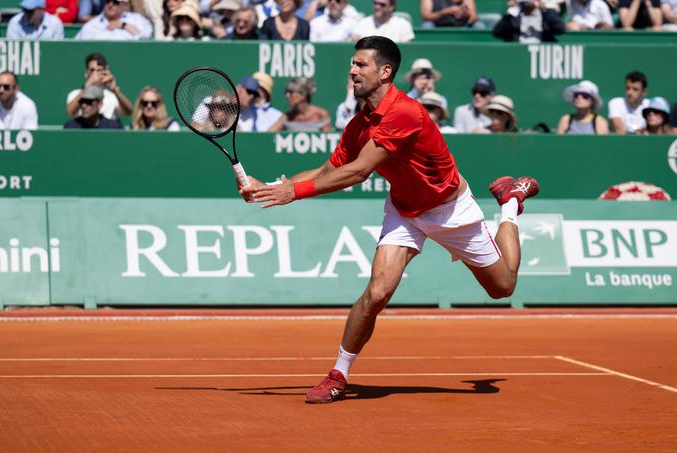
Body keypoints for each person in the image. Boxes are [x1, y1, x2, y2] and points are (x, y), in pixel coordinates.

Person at [240, 36, 539, 404]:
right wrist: (270, 187)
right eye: (351, 63)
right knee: (378, 291)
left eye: (360, 64)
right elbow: (327, 170)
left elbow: (358, 172)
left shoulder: (405, 112)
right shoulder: (357, 124)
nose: (351, 70)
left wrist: (293, 194)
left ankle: (510, 202)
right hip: (405, 210)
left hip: (451, 208)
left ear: (385, 72)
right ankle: (338, 374)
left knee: (502, 287)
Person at [66, 52, 133, 121]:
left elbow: (129, 112)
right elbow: (70, 112)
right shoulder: (75, 94)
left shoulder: (112, 96)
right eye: (92, 70)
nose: (95, 74)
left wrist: (115, 91)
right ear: (86, 73)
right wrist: (87, 86)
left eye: (99, 70)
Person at [268, 77, 332, 132]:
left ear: (303, 95)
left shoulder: (321, 114)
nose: (287, 96)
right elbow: (266, 137)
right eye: (286, 92)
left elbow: (329, 141)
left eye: (291, 92)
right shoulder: (287, 117)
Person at [492, 0, 565, 42]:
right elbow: (497, 32)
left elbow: (560, 29)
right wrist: (510, 12)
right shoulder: (515, 15)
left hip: (541, 54)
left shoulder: (545, 15)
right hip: (517, 54)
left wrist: (544, 10)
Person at [75, 0, 153, 40]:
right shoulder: (91, 25)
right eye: (108, 1)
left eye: (115, 2)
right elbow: (78, 44)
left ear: (124, 5)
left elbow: (145, 39)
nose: (110, 5)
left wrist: (124, 25)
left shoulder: (137, 19)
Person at [608, 71, 650, 135]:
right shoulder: (615, 103)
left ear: (644, 92)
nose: (629, 92)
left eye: (635, 89)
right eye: (628, 88)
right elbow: (620, 131)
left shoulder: (650, 105)